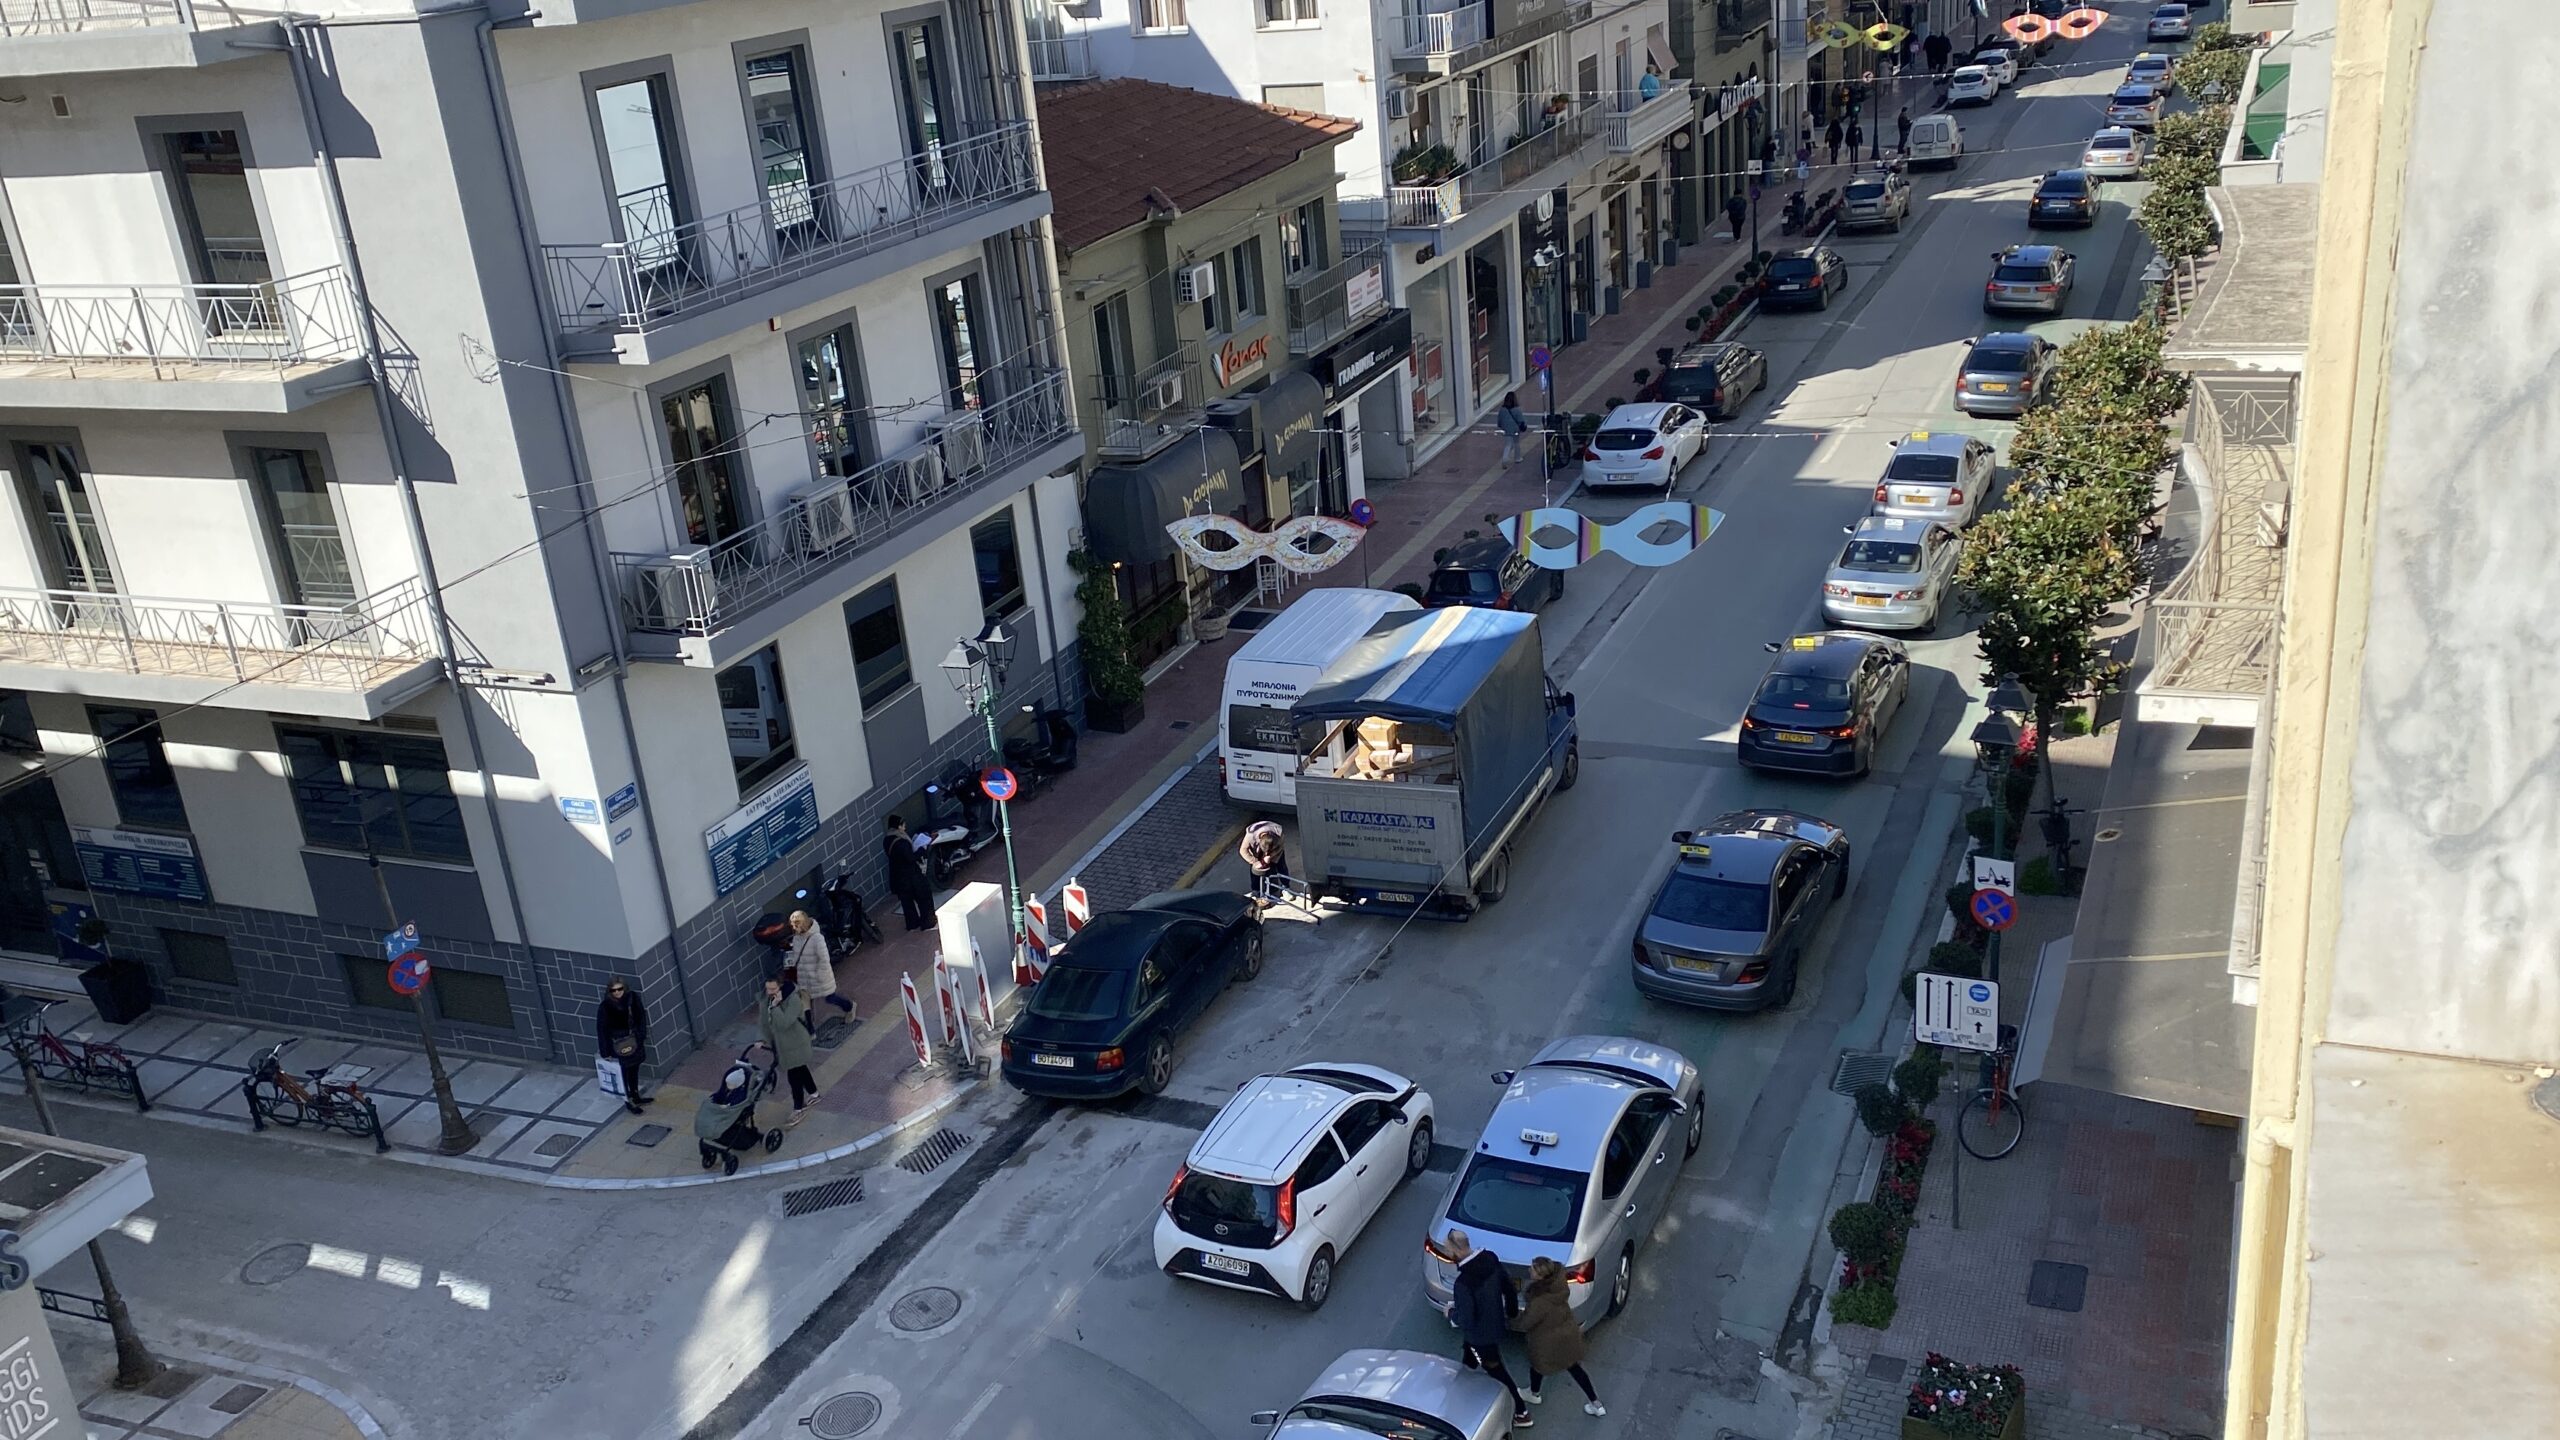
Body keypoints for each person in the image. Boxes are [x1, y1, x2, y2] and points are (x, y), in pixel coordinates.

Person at [1438, 1230, 1533, 1427]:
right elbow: (1508, 1288)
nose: (1448, 1254)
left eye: (1448, 1250)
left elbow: (1466, 1319)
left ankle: (1521, 1411)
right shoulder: (1490, 1259)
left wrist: (1451, 1313)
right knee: (1469, 1358)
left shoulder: (1464, 1283)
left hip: (1480, 1337)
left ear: (1456, 1250)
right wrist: (1512, 1312)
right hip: (1494, 1324)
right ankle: (1462, 1386)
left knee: (1497, 1371)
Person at [1511, 1256, 1607, 1416]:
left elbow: (1525, 1323)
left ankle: (1534, 1393)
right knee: (1575, 1369)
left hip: (1546, 1341)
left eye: (1532, 1269)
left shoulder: (1539, 1301)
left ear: (1540, 1276)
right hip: (1567, 1336)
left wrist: (1510, 1320)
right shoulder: (1559, 1288)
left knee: (1537, 1366)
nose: (1529, 1270)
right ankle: (1596, 1403)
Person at [759, 978, 819, 1125]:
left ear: (780, 988)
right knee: (800, 1069)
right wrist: (762, 1039)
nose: (769, 992)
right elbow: (765, 1022)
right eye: (768, 989)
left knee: (794, 1077)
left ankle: (798, 1109)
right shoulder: (768, 1000)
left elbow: (784, 1023)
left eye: (773, 989)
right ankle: (814, 1093)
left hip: (796, 1044)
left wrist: (775, 1007)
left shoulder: (793, 1000)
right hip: (784, 1045)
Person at [595, 977, 651, 1115]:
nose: (617, 992)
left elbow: (641, 1017)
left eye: (619, 989)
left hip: (633, 1040)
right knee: (623, 1074)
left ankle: (635, 1095)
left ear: (624, 988)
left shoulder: (632, 998)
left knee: (634, 1069)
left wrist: (641, 1036)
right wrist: (605, 1052)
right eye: (613, 990)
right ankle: (628, 1101)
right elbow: (602, 1029)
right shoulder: (605, 1006)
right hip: (617, 1043)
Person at [788, 911, 853, 1020]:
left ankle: (849, 1007)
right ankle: (810, 1027)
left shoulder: (817, 938)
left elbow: (824, 959)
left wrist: (819, 975)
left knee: (830, 998)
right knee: (805, 1001)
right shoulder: (796, 938)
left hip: (818, 976)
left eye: (796, 926)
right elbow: (796, 956)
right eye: (793, 926)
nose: (794, 928)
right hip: (804, 976)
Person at [883, 814, 932, 931]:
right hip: (911, 876)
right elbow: (910, 858)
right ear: (898, 826)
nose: (905, 827)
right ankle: (927, 922)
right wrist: (921, 850)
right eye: (903, 825)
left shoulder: (887, 840)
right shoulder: (902, 842)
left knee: (907, 904)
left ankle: (912, 923)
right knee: (923, 898)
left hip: (897, 877)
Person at [1496, 391, 1526, 465]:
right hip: (1515, 430)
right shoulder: (1517, 409)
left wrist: (1501, 426)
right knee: (1516, 443)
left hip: (1506, 429)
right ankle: (1517, 458)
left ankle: (1505, 458)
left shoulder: (1502, 409)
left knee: (1508, 444)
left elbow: (1499, 420)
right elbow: (1521, 420)